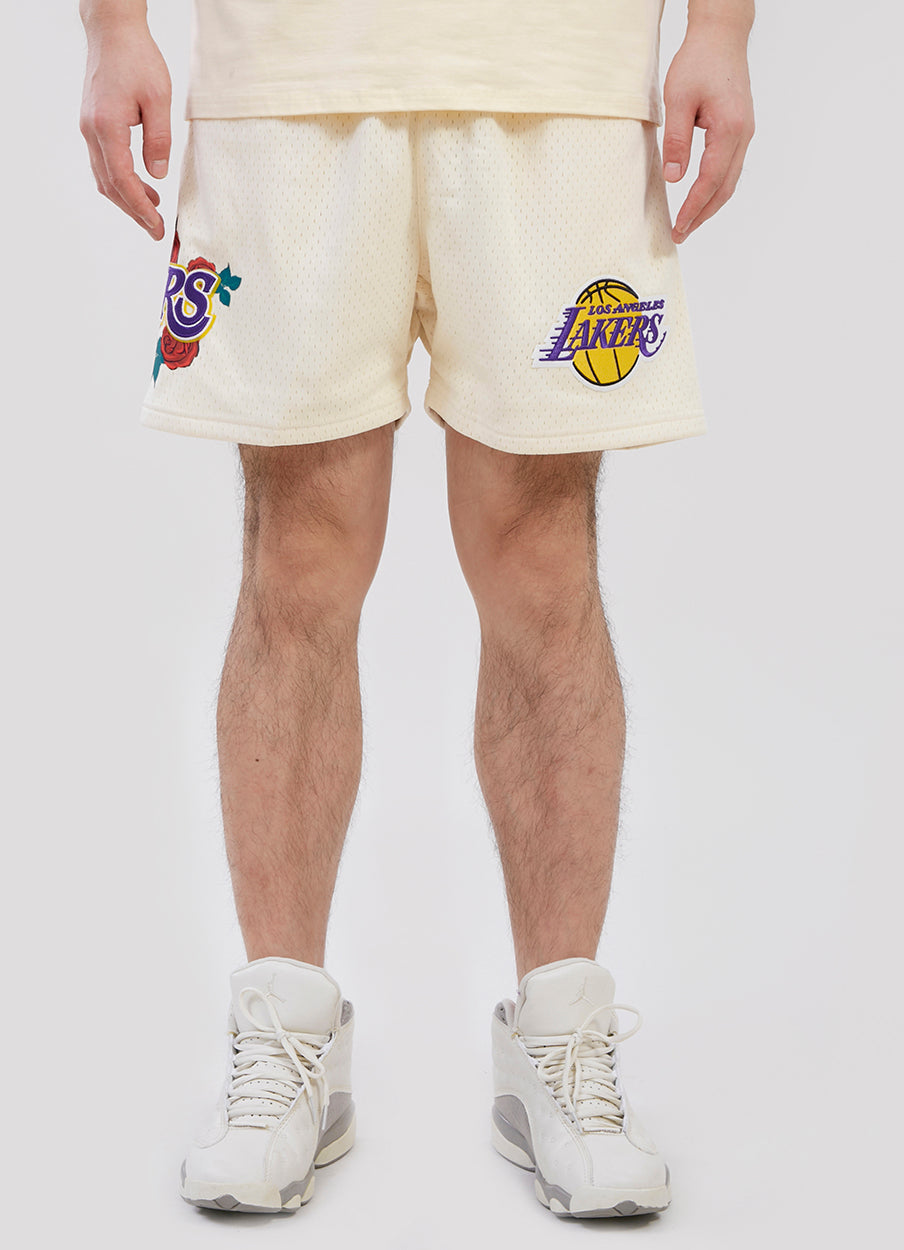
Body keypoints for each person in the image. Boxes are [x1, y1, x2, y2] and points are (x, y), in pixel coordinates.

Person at [79, 0, 754, 1219]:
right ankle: (285, 1032)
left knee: (541, 562)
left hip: (559, 73)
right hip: (290, 74)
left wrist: (723, 28)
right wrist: (111, 24)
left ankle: (560, 1033)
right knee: (297, 560)